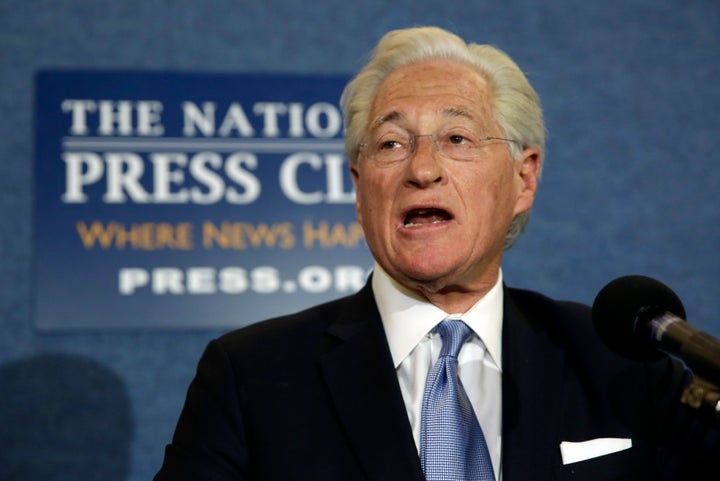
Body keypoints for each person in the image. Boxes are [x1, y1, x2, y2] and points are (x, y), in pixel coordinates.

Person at [154, 26, 720, 481]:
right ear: (359, 185)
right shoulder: (251, 375)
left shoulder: (621, 365)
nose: (422, 170)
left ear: (523, 179)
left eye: (457, 139)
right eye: (392, 144)